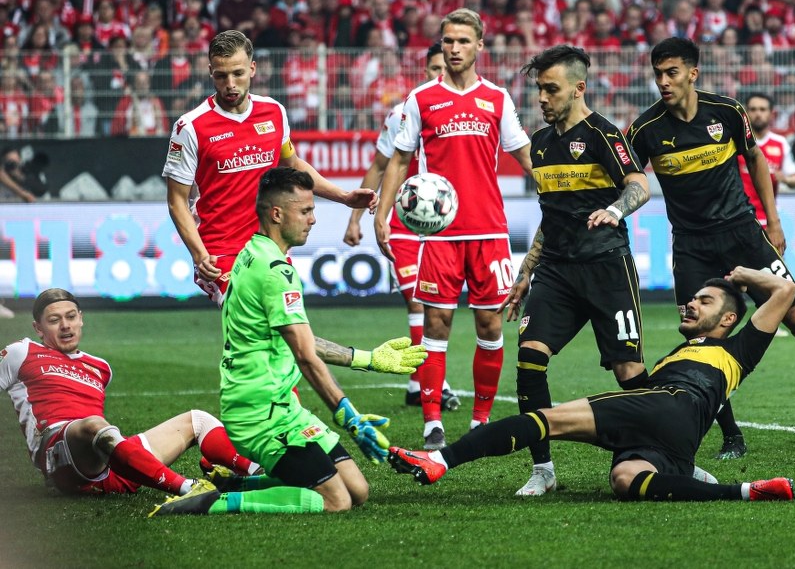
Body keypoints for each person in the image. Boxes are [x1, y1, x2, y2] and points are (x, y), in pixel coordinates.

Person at [626, 37, 795, 460]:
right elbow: (630, 179)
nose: (662, 82)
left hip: (744, 235)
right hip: (692, 247)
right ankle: (732, 436)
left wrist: (774, 221)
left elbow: (756, 160)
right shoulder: (645, 130)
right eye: (657, 74)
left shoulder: (727, 112)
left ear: (693, 73)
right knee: (701, 338)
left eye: (671, 72)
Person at [389, 267, 795, 503]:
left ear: (729, 320)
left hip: (670, 404)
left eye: (705, 301)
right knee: (626, 479)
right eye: (693, 298)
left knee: (547, 419)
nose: (691, 303)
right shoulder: (684, 353)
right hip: (677, 436)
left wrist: (744, 275)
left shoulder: (741, 348)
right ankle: (744, 491)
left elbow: (785, 290)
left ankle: (439, 461)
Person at [150, 167, 423, 516]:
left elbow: (301, 341)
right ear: (277, 214)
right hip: (260, 414)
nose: (313, 219)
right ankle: (212, 503)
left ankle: (235, 484)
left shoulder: (252, 253)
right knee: (336, 502)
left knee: (358, 489)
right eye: (306, 211)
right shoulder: (275, 273)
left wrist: (366, 359)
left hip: (283, 409)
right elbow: (307, 357)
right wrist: (349, 415)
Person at [374, 8, 533, 450]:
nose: (455, 49)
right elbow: (399, 161)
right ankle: (431, 423)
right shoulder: (421, 99)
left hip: (488, 232)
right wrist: (382, 215)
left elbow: (526, 156)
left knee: (490, 326)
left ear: (480, 46)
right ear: (441, 45)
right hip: (440, 236)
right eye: (448, 41)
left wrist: (563, 192)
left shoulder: (497, 99)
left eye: (464, 41)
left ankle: (481, 419)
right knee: (436, 324)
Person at [497, 45, 651, 497]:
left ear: (578, 88)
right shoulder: (541, 147)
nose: (541, 98)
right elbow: (552, 214)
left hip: (606, 266)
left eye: (551, 89)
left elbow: (639, 184)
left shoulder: (604, 134)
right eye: (538, 89)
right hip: (558, 272)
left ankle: (662, 454)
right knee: (529, 358)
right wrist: (526, 272)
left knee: (628, 371)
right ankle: (543, 468)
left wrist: (616, 210)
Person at [162, 30, 375, 308]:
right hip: (221, 253)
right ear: (210, 72)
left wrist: (344, 197)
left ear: (252, 69)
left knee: (285, 334)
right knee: (259, 323)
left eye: (237, 73)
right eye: (221, 76)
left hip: (270, 246)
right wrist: (200, 255)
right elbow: (177, 200)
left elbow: (293, 166)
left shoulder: (273, 112)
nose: (230, 84)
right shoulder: (190, 127)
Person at [0, 288, 262, 497]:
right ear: (38, 328)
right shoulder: (22, 352)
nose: (65, 326)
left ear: (81, 318)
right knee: (93, 425)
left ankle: (257, 472)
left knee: (198, 419)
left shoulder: (100, 367)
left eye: (71, 317)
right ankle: (189, 488)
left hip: (107, 467)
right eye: (54, 321)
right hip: (59, 455)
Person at [343, 42, 460, 413]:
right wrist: (355, 218)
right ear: (423, 72)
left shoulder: (465, 112)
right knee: (416, 299)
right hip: (406, 223)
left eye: (444, 68)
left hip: (445, 225)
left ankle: (416, 383)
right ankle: (431, 383)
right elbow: (380, 166)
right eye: (432, 69)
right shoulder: (404, 113)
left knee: (439, 307)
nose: (438, 75)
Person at [739, 92, 795, 228]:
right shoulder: (737, 143)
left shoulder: (780, 143)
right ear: (746, 113)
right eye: (753, 109)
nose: (758, 114)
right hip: (740, 219)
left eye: (762, 109)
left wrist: (786, 179)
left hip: (769, 221)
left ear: (771, 114)